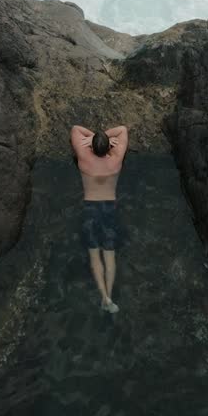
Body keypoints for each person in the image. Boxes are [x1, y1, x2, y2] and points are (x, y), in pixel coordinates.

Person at [69, 124, 129, 313]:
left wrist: (93, 136)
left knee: (94, 254)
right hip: (109, 209)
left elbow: (75, 129)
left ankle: (103, 295)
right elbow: (123, 130)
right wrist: (107, 140)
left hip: (90, 209)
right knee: (109, 255)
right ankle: (109, 296)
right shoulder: (116, 160)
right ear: (109, 148)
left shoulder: (84, 158)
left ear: (92, 148)